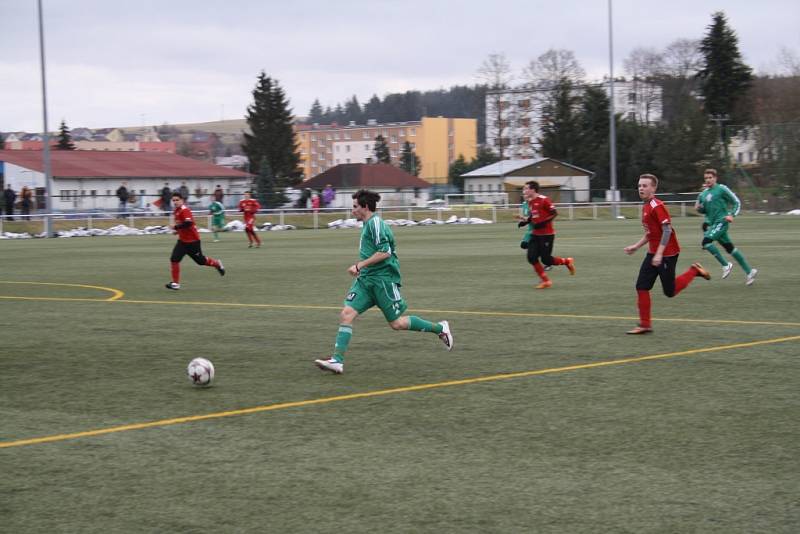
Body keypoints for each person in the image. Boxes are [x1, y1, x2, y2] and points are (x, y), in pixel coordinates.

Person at [314, 189, 453, 374]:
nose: (352, 210)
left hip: (383, 282)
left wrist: (359, 265)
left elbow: (385, 251)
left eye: (355, 207)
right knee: (346, 314)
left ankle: (440, 328)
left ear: (364, 207)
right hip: (366, 282)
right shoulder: (367, 224)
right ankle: (337, 361)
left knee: (397, 324)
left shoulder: (376, 224)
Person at [623, 174, 711, 334]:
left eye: (645, 185)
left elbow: (667, 230)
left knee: (669, 292)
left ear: (653, 188)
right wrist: (636, 247)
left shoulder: (657, 205)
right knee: (641, 286)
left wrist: (659, 254)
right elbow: (650, 233)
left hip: (667, 254)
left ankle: (694, 271)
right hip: (654, 253)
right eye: (639, 186)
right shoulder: (645, 206)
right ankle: (645, 324)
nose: (641, 188)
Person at [695, 168, 757, 285]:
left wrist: (732, 214)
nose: (708, 180)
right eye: (706, 178)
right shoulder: (703, 194)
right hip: (714, 224)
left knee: (706, 242)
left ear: (715, 178)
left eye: (710, 178)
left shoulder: (721, 189)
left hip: (722, 221)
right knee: (730, 249)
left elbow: (736, 202)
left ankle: (725, 265)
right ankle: (750, 272)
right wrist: (699, 208)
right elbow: (705, 211)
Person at [515, 181, 575, 289]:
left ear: (533, 190)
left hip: (547, 234)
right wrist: (526, 222)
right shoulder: (530, 202)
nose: (524, 191)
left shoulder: (544, 200)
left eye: (526, 189)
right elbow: (533, 216)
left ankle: (567, 261)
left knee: (546, 260)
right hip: (535, 234)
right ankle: (546, 281)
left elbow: (554, 213)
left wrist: (542, 223)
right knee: (531, 257)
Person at [165, 191, 225, 290]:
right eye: (173, 200)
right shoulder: (176, 211)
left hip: (193, 242)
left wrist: (176, 227)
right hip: (182, 242)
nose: (175, 202)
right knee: (174, 259)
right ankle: (176, 284)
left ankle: (216, 264)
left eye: (177, 200)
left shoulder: (185, 210)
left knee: (201, 261)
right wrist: (178, 231)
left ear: (182, 200)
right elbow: (183, 225)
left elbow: (188, 223)